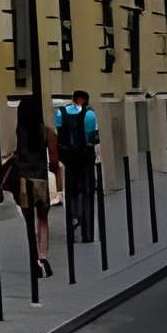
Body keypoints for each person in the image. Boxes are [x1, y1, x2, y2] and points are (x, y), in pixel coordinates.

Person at [0, 98, 60, 278]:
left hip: (24, 179)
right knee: (42, 218)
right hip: (40, 179)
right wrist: (58, 181)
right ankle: (43, 257)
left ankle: (33, 259)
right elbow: (55, 161)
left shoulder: (20, 132)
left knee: (28, 221)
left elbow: (15, 154)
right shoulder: (47, 133)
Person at [55, 89, 100, 240]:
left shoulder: (61, 112)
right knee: (87, 191)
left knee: (71, 191)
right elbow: (94, 137)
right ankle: (86, 231)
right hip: (85, 158)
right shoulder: (90, 114)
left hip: (69, 159)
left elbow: (59, 134)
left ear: (73, 99)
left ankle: (72, 219)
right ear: (86, 100)